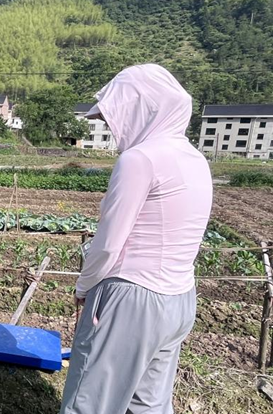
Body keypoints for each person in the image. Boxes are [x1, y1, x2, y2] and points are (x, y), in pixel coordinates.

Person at [59, 64, 213, 414]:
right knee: (149, 403)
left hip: (132, 298)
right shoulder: (195, 159)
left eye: (115, 116)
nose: (112, 127)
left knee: (89, 401)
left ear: (141, 111)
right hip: (179, 299)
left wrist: (84, 288)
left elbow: (109, 242)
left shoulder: (139, 158)